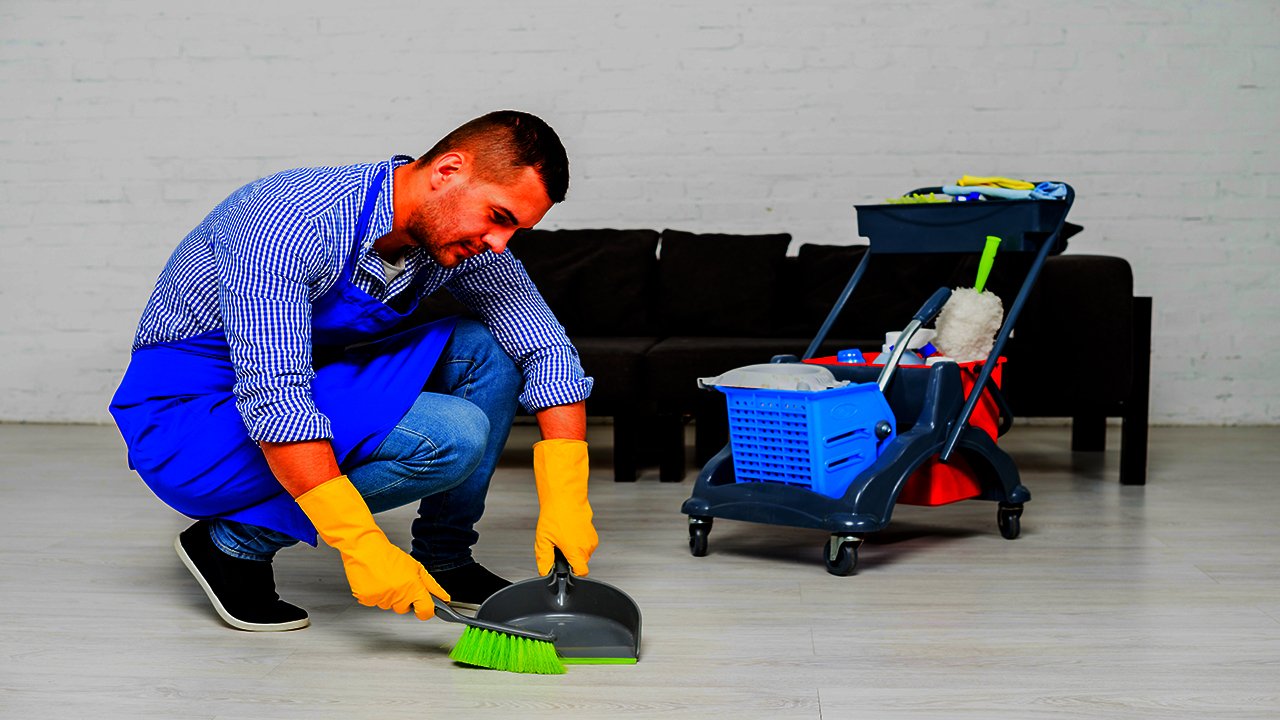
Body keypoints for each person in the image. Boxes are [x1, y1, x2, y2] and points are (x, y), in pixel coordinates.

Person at [109, 110, 598, 632]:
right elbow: (277, 400)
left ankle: (446, 555)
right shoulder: (290, 221)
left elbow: (544, 345)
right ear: (448, 171)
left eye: (515, 229)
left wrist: (566, 494)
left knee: (488, 346)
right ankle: (232, 546)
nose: (500, 242)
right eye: (498, 216)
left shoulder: (456, 235)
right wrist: (362, 544)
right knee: (453, 436)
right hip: (190, 422)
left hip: (307, 379)